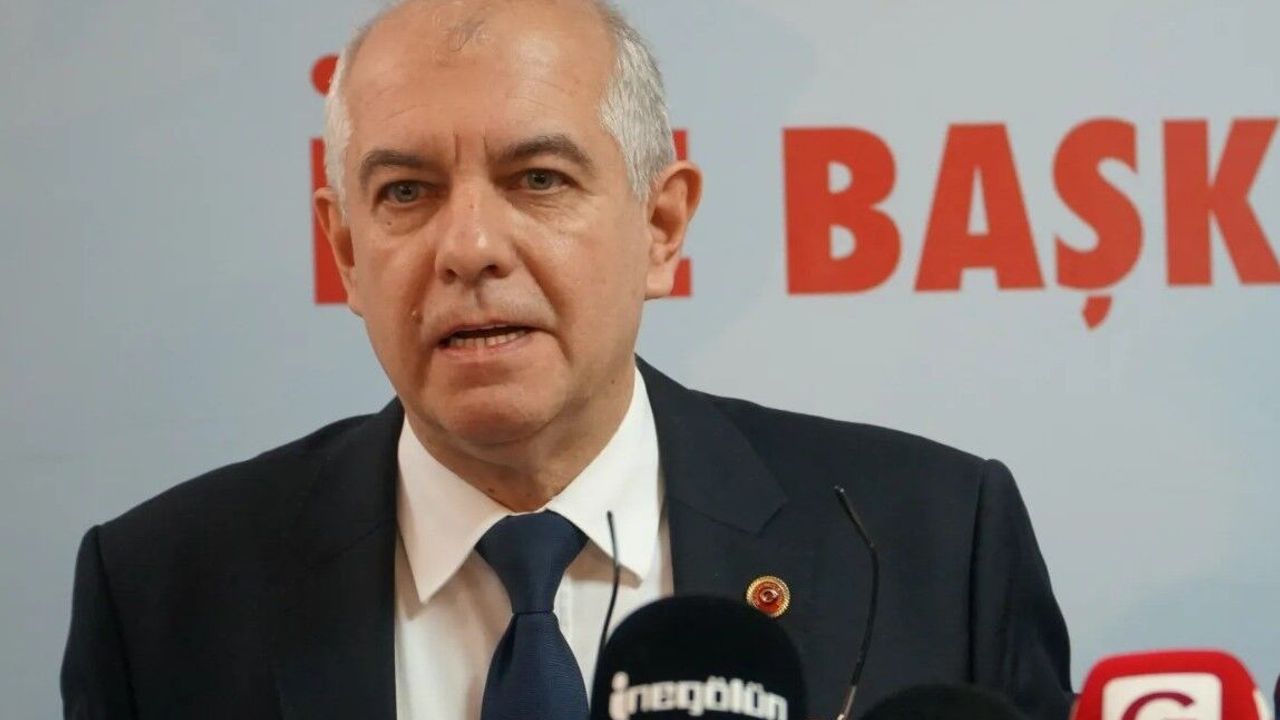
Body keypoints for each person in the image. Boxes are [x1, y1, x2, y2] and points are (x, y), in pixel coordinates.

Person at [60, 0, 1074, 718]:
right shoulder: (161, 596)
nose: (468, 248)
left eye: (537, 178)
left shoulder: (931, 542)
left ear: (661, 228)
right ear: (345, 252)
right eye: (406, 193)